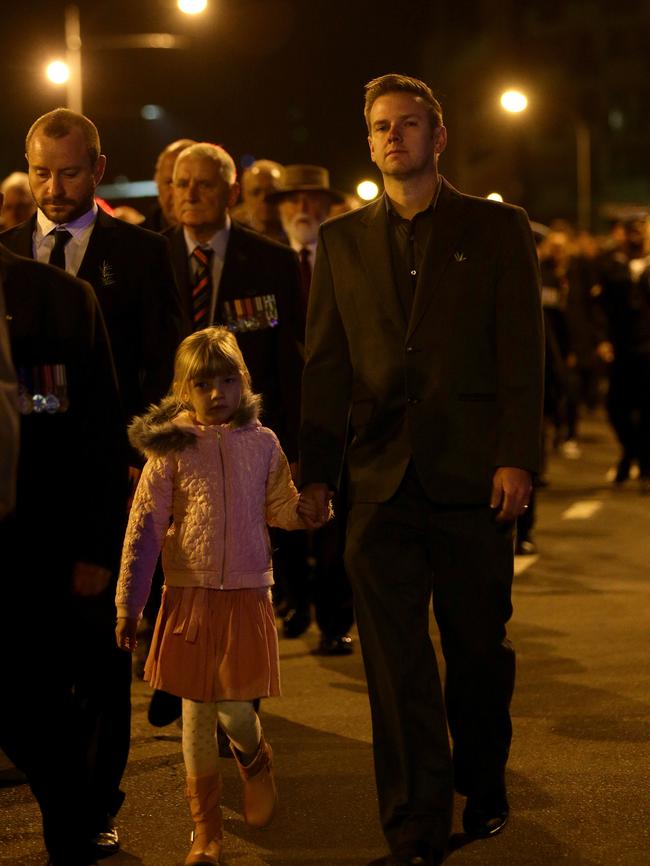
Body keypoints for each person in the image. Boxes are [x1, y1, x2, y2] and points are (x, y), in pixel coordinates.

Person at [299, 74, 544, 866]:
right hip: (377, 479)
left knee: (477, 650)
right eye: (380, 126)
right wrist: (314, 471)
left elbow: (521, 352)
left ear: (438, 137)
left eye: (408, 124)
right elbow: (325, 365)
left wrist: (516, 455)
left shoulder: (499, 229)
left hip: (473, 474)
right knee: (395, 661)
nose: (393, 136)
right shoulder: (340, 241)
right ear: (368, 141)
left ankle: (483, 777)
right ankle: (414, 819)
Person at [0, 106, 185, 856]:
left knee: (102, 650)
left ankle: (97, 795)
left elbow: (158, 363)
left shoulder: (138, 255)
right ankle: (68, 793)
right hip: (24, 482)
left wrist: (147, 451)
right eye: (40, 171)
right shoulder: (9, 250)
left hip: (115, 469)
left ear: (98, 169)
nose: (52, 186)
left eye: (68, 171)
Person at [114, 327, 316, 866]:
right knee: (196, 713)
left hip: (247, 590)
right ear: (184, 389)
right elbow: (146, 526)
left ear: (243, 381)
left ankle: (255, 759)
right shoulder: (172, 446)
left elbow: (278, 506)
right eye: (203, 384)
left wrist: (305, 514)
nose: (217, 393)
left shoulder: (263, 441)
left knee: (234, 708)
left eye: (228, 381)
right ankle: (204, 832)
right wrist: (129, 604)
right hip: (189, 593)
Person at [0, 239, 128, 866]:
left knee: (38, 711)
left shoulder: (57, 299)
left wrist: (98, 547)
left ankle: (74, 827)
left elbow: (99, 431)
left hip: (36, 546)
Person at [267, 164, 355, 654]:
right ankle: (295, 600)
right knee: (286, 514)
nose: (303, 209)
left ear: (327, 206)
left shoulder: (343, 255)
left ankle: (335, 617)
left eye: (312, 200)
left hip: (334, 408)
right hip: (280, 410)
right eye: (293, 200)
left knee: (335, 520)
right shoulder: (269, 260)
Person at [142, 138, 197, 232]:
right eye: (169, 182)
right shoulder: (134, 243)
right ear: (157, 183)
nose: (177, 192)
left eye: (184, 183)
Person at [231, 158, 287, 243]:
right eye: (256, 192)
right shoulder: (231, 232)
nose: (264, 198)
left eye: (271, 192)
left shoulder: (298, 232)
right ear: (244, 195)